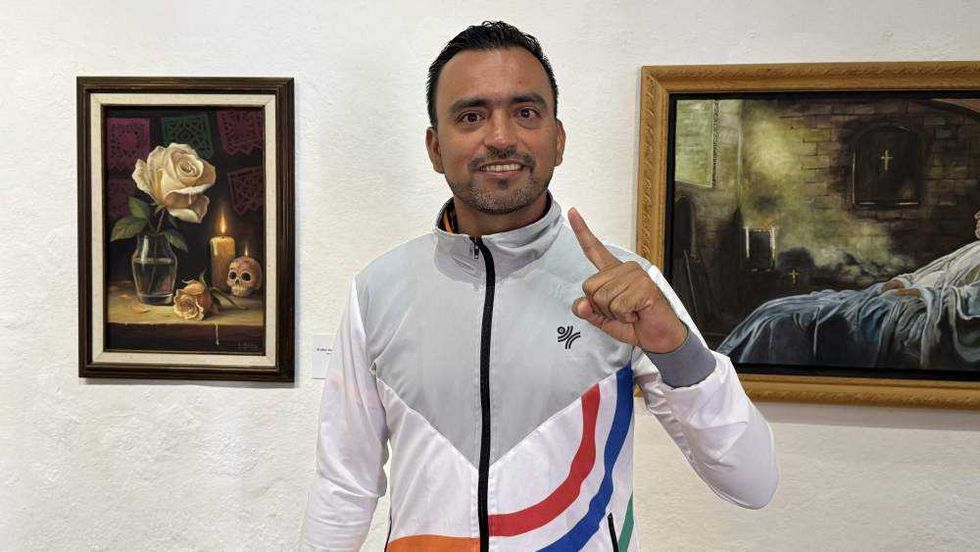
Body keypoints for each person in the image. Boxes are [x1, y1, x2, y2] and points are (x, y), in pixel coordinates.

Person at [302, 21, 777, 551]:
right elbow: (344, 485)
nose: (501, 136)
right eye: (471, 115)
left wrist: (678, 350)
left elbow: (753, 482)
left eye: (525, 112)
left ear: (558, 139)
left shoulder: (627, 290)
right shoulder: (377, 290)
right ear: (436, 148)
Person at [719, 209, 980, 371]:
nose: (977, 215)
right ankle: (723, 370)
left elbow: (971, 302)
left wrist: (917, 294)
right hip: (893, 296)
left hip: (910, 306)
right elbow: (931, 272)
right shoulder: (972, 248)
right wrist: (903, 281)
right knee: (777, 307)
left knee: (788, 321)